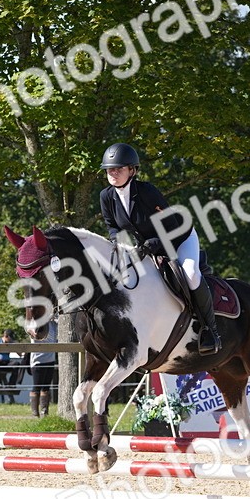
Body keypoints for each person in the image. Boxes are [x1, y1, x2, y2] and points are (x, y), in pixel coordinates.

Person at [99, 142, 221, 354]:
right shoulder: (106, 196)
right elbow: (112, 227)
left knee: (191, 274)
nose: (113, 173)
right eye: (110, 169)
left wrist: (149, 246)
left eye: (119, 169)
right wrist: (119, 245)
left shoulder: (147, 192)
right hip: (147, 243)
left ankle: (210, 330)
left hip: (178, 236)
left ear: (132, 170)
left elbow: (172, 227)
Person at [28, 318, 57, 417]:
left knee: (46, 387)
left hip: (50, 359)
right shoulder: (33, 323)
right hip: (38, 360)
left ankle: (44, 411)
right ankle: (34, 412)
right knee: (36, 387)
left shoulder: (53, 324)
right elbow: (34, 334)